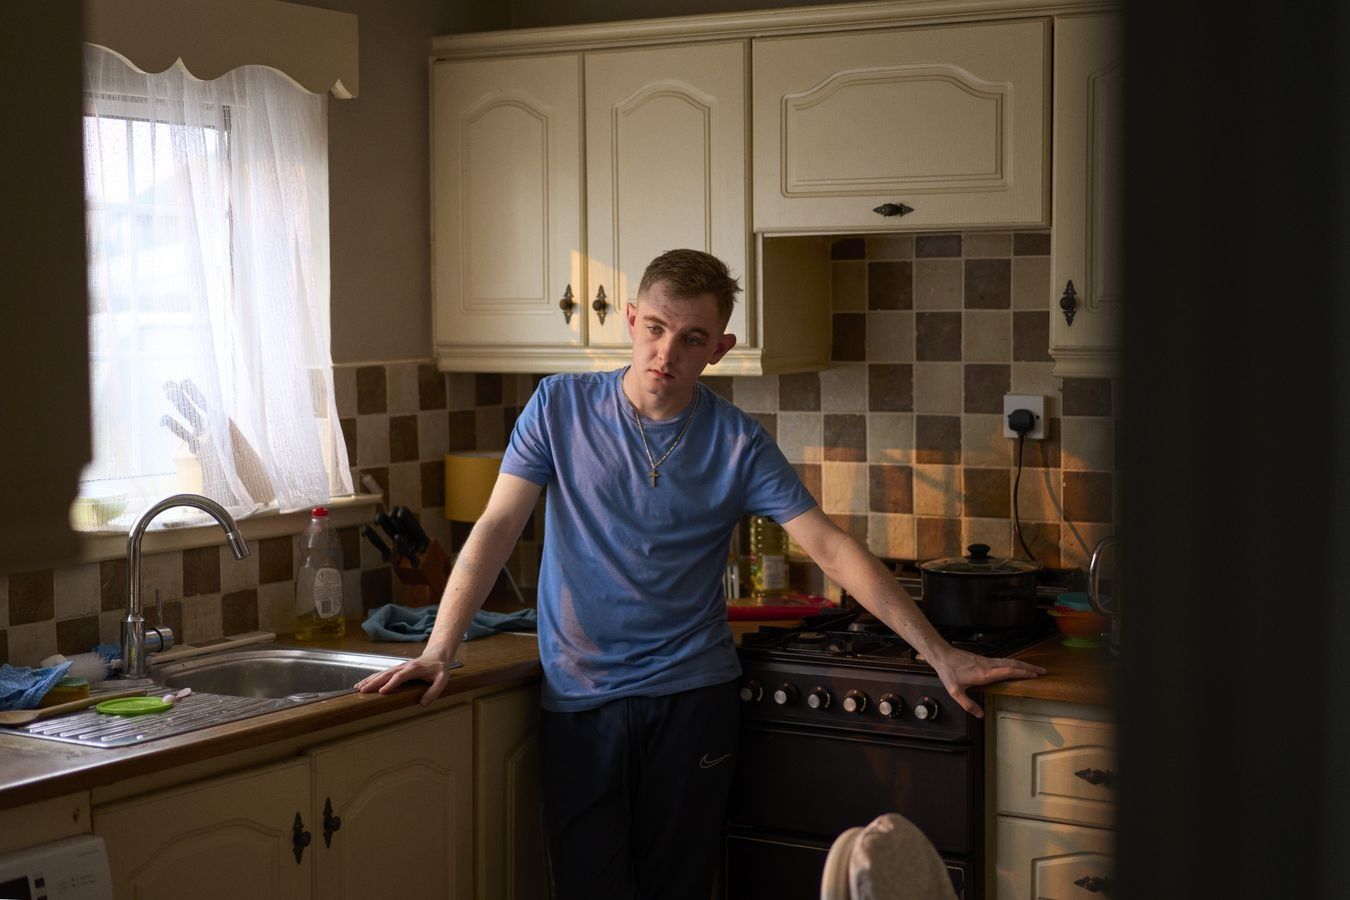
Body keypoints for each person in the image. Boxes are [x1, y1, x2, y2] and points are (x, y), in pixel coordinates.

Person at [356, 248, 1045, 900]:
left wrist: (940, 654)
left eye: (692, 338)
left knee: (678, 890)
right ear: (631, 320)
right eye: (656, 328)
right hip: (581, 701)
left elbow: (832, 550)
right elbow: (496, 529)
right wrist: (439, 650)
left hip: (692, 699)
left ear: (719, 347)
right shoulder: (558, 407)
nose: (666, 353)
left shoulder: (738, 442)